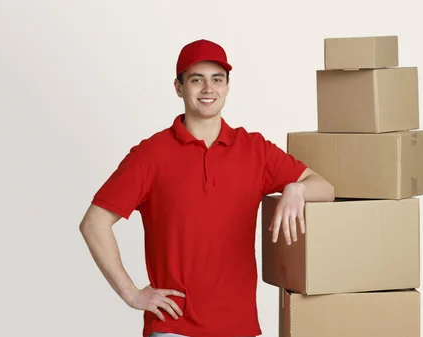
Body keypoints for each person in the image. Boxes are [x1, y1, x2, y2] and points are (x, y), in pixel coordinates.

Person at [79, 39, 335, 337]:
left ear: (227, 87)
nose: (207, 89)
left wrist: (296, 189)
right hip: (174, 326)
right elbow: (94, 223)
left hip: (239, 327)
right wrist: (131, 293)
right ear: (179, 88)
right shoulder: (150, 155)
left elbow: (325, 188)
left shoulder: (254, 150)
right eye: (196, 80)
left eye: (217, 79)